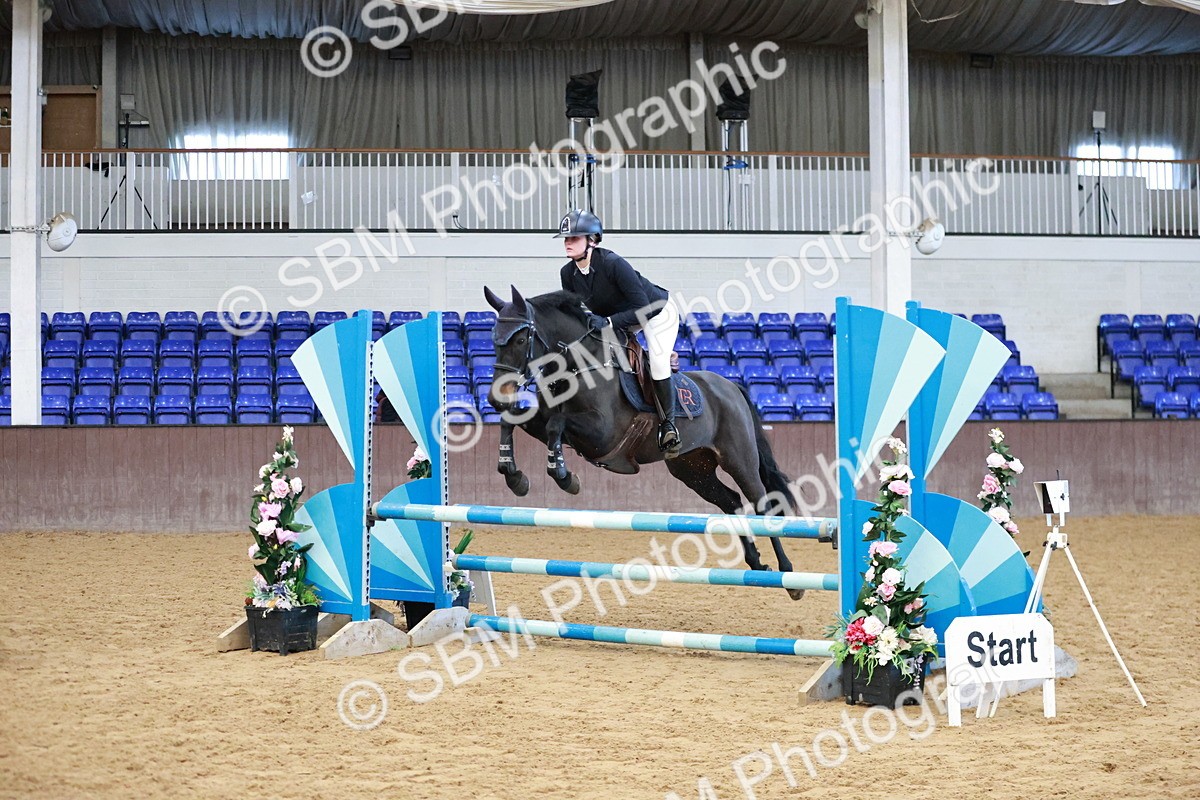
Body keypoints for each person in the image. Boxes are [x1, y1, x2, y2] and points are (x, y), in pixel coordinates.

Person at [555, 209, 682, 456]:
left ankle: (669, 427)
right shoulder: (567, 274)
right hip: (621, 317)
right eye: (566, 238)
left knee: (657, 362)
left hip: (656, 312)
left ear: (592, 240)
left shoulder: (613, 264)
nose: (567, 242)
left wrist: (610, 322)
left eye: (574, 237)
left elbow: (643, 307)